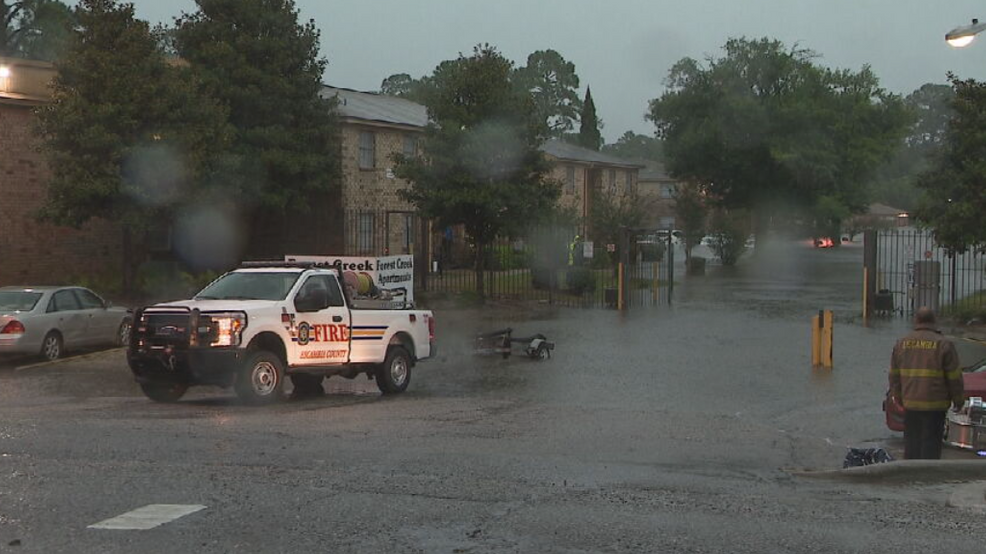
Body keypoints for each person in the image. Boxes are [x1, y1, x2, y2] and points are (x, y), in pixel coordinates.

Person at [889, 307, 964, 459]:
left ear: (916, 320)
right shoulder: (943, 344)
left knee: (911, 443)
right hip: (935, 406)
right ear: (934, 321)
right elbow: (954, 377)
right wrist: (958, 400)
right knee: (931, 443)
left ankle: (910, 476)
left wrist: (897, 396)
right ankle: (928, 478)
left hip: (910, 404)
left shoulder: (902, 343)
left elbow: (894, 375)